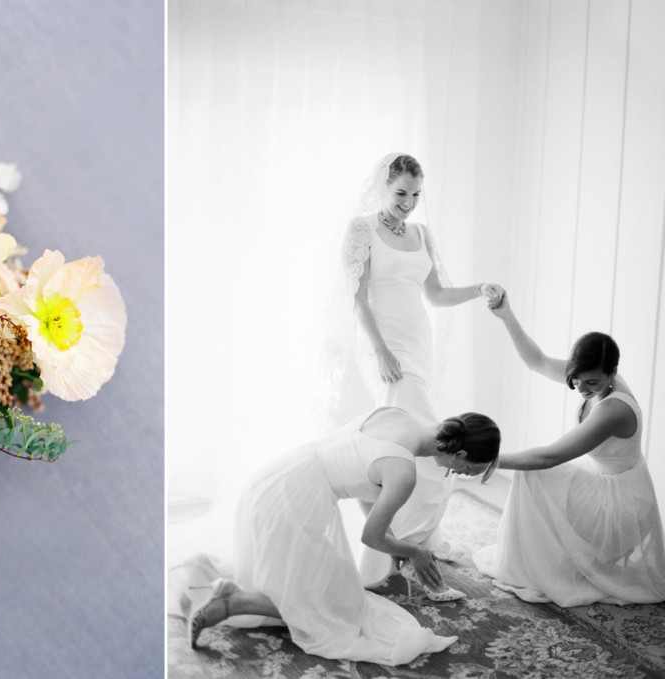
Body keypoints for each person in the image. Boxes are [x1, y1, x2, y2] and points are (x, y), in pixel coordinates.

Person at [187, 407, 500, 665]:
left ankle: (228, 585)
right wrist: (415, 552)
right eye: (466, 470)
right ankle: (232, 602)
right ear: (459, 454)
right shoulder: (404, 472)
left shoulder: (397, 416)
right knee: (337, 612)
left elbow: (365, 483)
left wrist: (392, 540)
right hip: (292, 502)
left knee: (334, 590)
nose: (459, 475)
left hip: (276, 479)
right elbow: (370, 536)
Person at [341, 152, 502, 592]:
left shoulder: (421, 234)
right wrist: (381, 351)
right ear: (382, 187)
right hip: (383, 345)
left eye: (415, 194)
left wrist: (479, 289)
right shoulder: (362, 229)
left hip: (418, 344)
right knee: (426, 449)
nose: (408, 203)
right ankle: (394, 550)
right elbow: (357, 298)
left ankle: (398, 547)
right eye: (400, 194)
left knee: (401, 445)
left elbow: (436, 294)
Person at [473, 293, 665, 607]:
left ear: (612, 374)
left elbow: (552, 456)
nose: (581, 388)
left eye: (592, 383)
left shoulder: (613, 410)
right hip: (605, 483)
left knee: (532, 472)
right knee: (531, 472)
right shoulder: (592, 375)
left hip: (623, 505)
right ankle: (537, 562)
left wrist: (489, 461)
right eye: (576, 379)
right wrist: (506, 315)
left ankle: (535, 569)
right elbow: (536, 361)